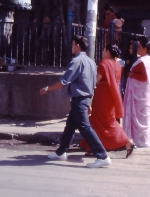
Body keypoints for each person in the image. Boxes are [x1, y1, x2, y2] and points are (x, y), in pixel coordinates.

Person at [42, 35, 112, 168]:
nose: (71, 47)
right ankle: (61, 152)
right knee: (70, 126)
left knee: (85, 128)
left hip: (80, 100)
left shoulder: (77, 61)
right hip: (84, 99)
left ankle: (102, 155)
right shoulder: (91, 62)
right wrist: (89, 102)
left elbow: (64, 81)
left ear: (78, 46)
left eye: (73, 44)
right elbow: (93, 85)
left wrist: (47, 89)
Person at [80, 44, 135, 158]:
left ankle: (127, 142)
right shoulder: (117, 65)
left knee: (102, 122)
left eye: (104, 50)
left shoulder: (104, 63)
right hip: (111, 96)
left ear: (108, 52)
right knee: (104, 121)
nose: (103, 52)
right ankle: (92, 147)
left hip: (102, 97)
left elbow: (96, 80)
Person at [123, 36, 150, 148]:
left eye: (139, 47)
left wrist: (132, 75)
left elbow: (145, 78)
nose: (137, 48)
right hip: (145, 94)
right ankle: (143, 141)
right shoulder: (149, 60)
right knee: (144, 119)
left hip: (141, 95)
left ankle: (141, 142)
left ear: (145, 48)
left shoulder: (144, 61)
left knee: (141, 119)